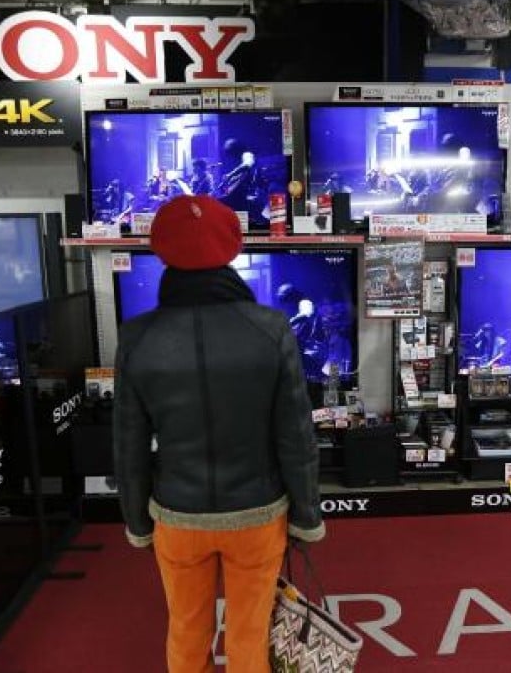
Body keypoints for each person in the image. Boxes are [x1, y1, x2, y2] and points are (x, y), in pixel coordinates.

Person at [113, 195, 324, 673]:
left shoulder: (137, 336)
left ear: (160, 249)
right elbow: (295, 434)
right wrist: (307, 514)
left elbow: (128, 443)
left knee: (187, 631)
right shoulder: (271, 329)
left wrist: (136, 521)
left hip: (177, 515)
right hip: (258, 513)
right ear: (231, 246)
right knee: (250, 635)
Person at [276, 282, 328, 382]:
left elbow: (306, 314)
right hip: (307, 351)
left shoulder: (304, 303)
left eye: (284, 298)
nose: (283, 303)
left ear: (290, 296)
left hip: (313, 351)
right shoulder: (297, 308)